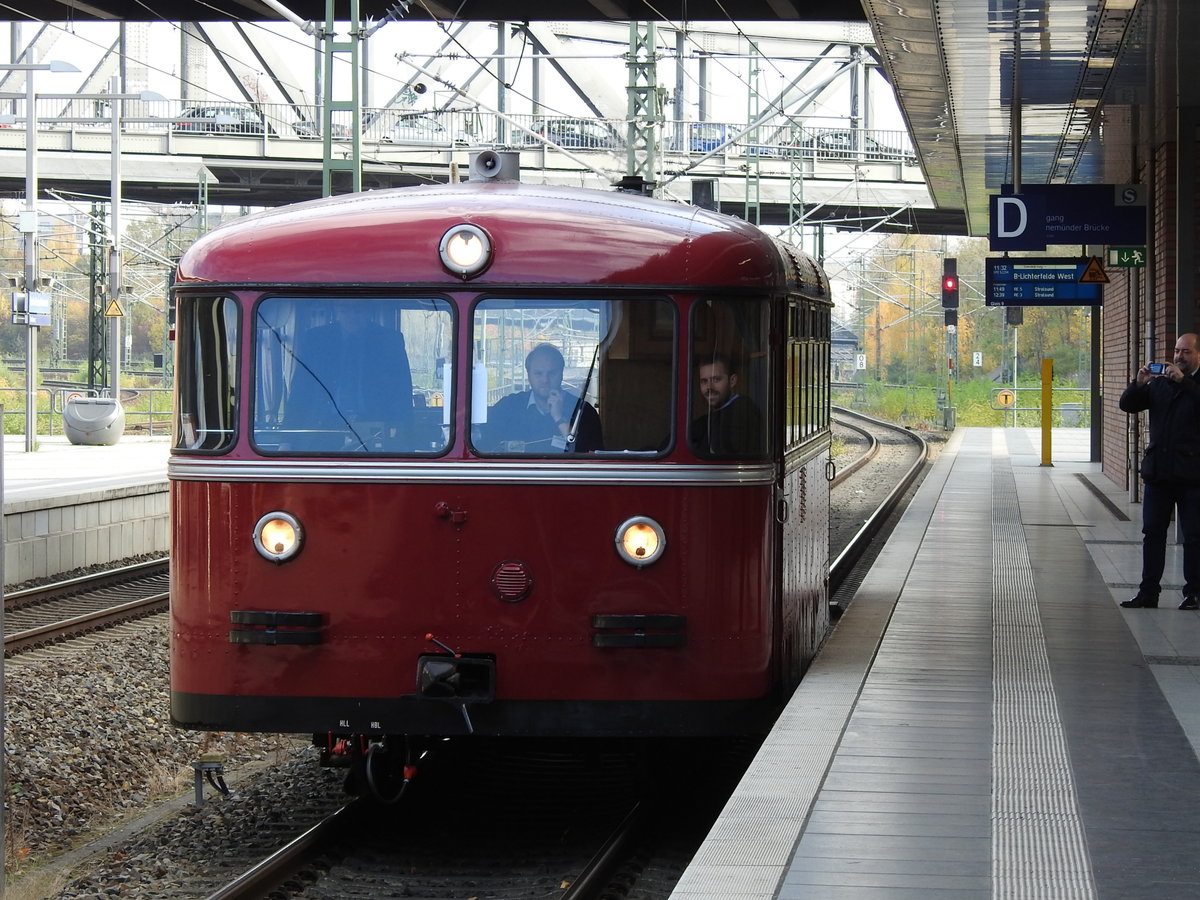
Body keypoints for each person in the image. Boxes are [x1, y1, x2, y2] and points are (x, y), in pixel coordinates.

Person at [1119, 332, 1200, 609]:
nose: (1179, 356)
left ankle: (1194, 593)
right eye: (1177, 351)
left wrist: (1185, 382)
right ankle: (1148, 592)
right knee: (1152, 534)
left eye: (1186, 352)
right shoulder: (1160, 384)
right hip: (1159, 473)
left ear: (1197, 355)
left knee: (1194, 536)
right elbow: (1128, 405)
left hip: (1192, 475)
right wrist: (1139, 384)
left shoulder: (1193, 385)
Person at [287, 304, 413, 446]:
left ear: (369, 311)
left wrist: (404, 440)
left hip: (376, 429)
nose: (352, 315)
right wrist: (286, 440)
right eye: (346, 309)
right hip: (321, 429)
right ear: (336, 310)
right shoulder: (316, 339)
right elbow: (299, 391)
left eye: (358, 309)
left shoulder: (389, 340)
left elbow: (402, 391)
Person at [486, 343, 603, 452]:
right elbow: (485, 445)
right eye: (538, 373)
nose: (545, 380)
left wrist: (559, 418)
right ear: (529, 375)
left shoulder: (583, 411)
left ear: (562, 373)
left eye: (552, 373)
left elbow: (590, 457)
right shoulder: (508, 407)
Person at [690, 354, 765, 457]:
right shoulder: (710, 418)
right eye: (704, 381)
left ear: (732, 381)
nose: (709, 387)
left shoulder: (743, 415)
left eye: (716, 379)